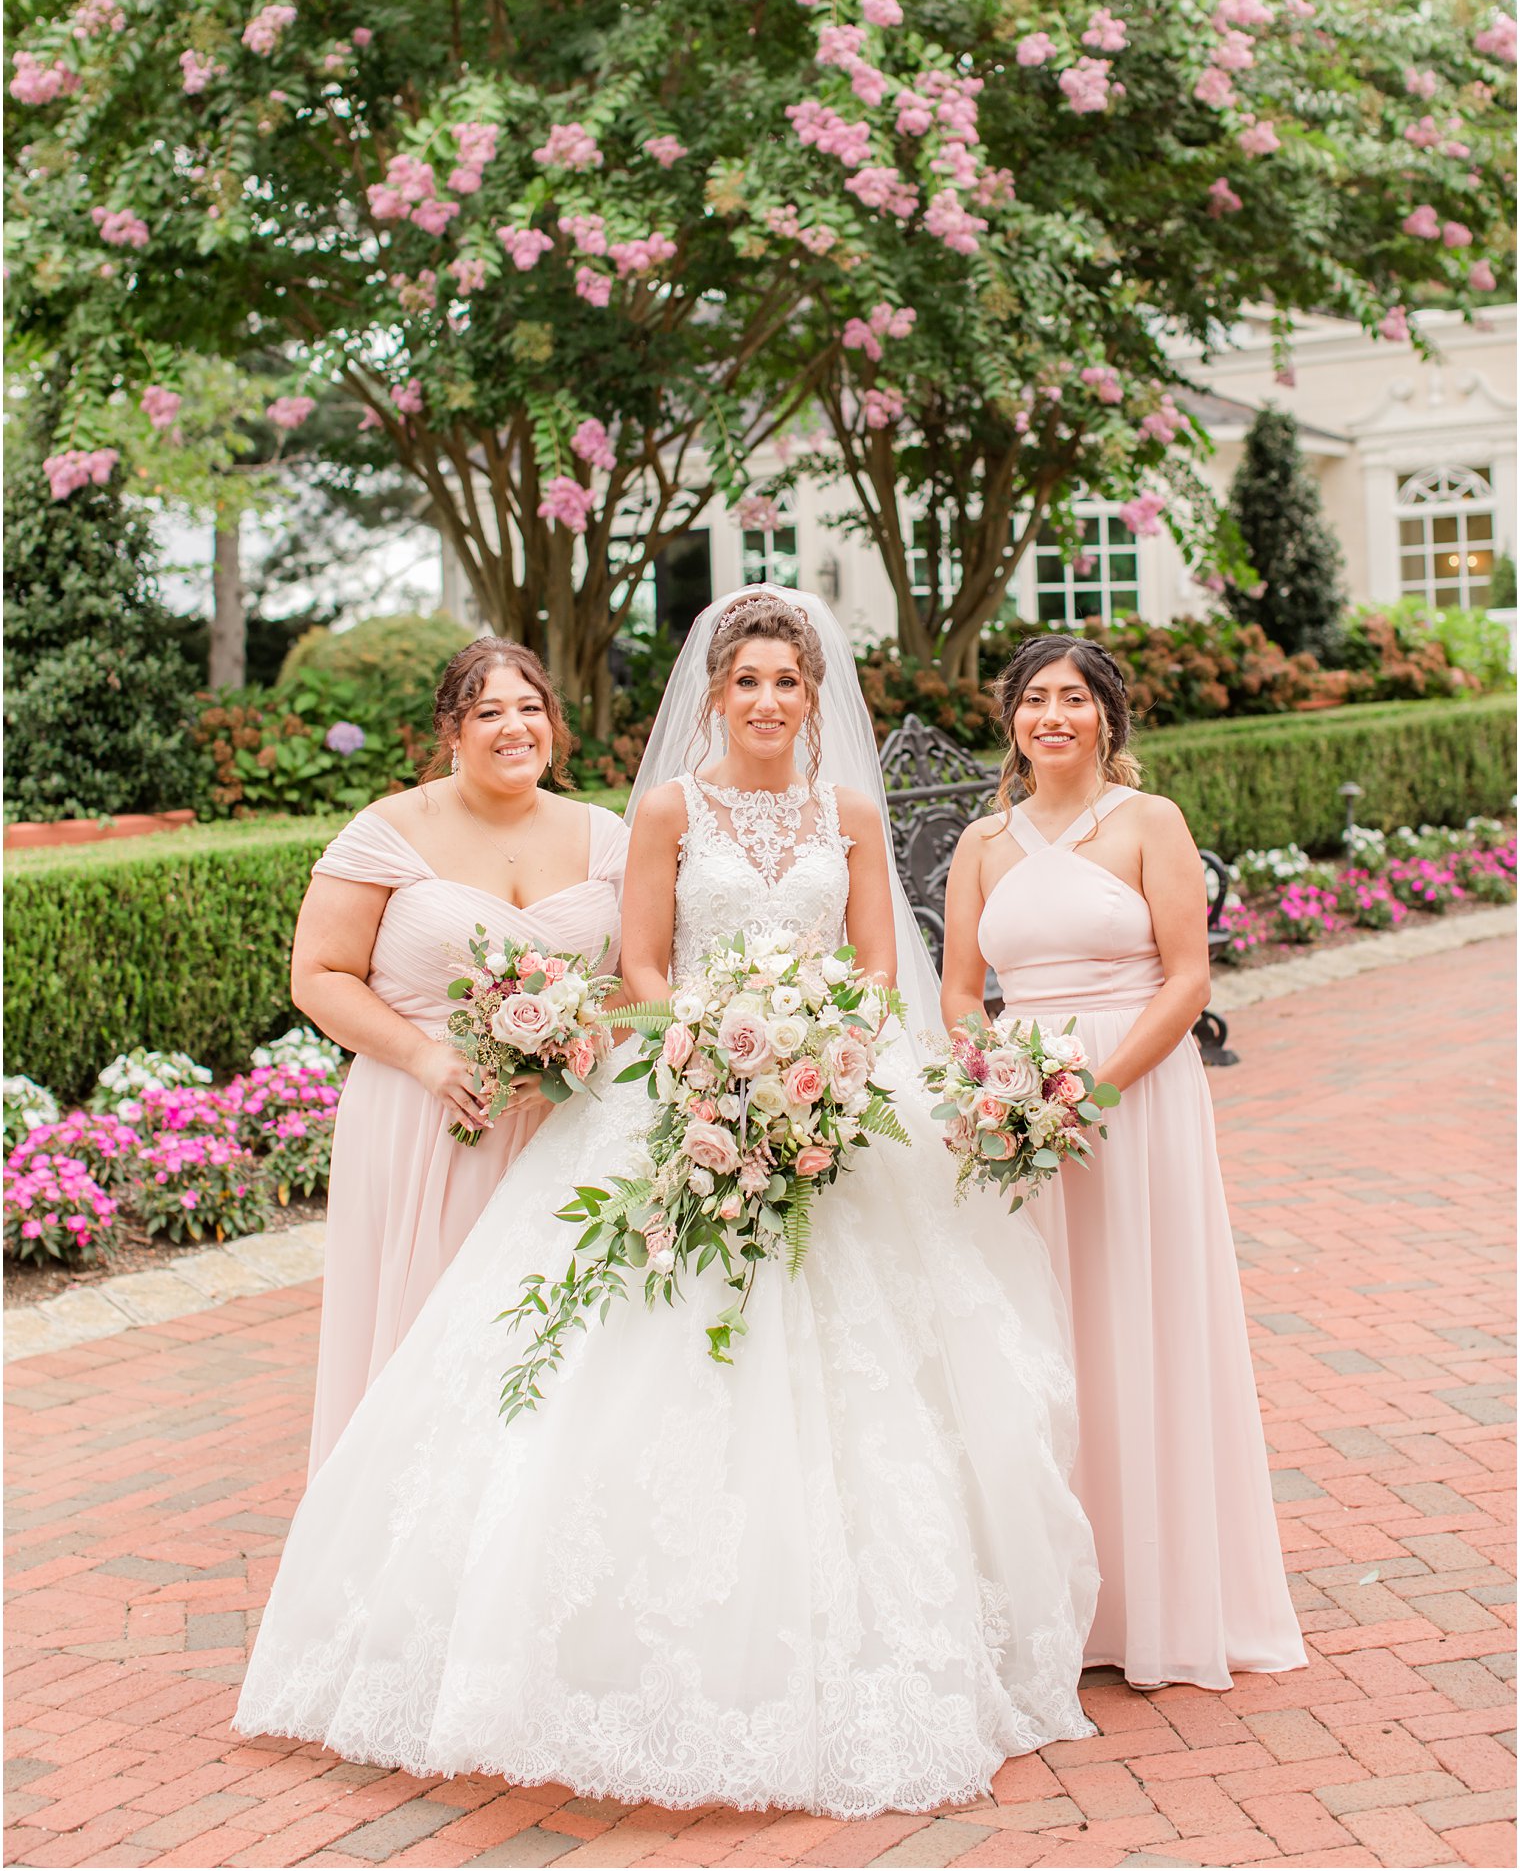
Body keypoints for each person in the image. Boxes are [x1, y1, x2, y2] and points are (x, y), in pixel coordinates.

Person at [236, 589, 1098, 1818]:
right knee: (599, 1354)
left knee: (874, 1381)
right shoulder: (662, 811)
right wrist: (710, 1047)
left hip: (828, 1101)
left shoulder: (849, 813)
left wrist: (822, 1054)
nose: (763, 702)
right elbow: (640, 962)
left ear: (812, 697)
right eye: (741, 682)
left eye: (783, 684)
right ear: (712, 695)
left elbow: (871, 968)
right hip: (681, 1092)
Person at [940, 633, 1304, 1691]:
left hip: (1132, 1100)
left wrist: (1088, 1097)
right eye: (1033, 700)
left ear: (1106, 716)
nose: (1052, 717)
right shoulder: (979, 844)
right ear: (1010, 718)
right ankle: (1054, 1594)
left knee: (1139, 1321)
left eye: (1072, 700)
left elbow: (1185, 981)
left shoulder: (1149, 824)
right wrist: (1001, 1082)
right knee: (1038, 1329)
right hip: (1018, 1112)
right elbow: (961, 987)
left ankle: (1159, 1598)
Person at [291, 636, 628, 1478]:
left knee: (549, 1343)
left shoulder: (606, 837)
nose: (514, 727)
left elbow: (641, 981)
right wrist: (426, 1056)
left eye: (530, 708)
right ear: (452, 727)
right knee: (426, 1330)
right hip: (425, 1118)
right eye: (489, 712)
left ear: (553, 724)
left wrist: (581, 1035)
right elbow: (318, 975)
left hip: (564, 1123)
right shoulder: (389, 831)